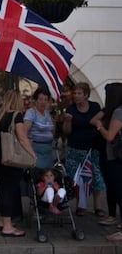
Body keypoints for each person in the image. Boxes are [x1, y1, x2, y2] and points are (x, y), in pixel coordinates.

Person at [0, 89, 36, 237]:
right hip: (10, 159)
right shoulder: (17, 116)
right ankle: (8, 227)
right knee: (9, 191)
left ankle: (3, 221)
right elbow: (22, 138)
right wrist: (32, 155)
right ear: (17, 100)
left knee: (4, 189)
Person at [62, 82, 105, 216]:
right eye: (75, 93)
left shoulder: (94, 107)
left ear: (86, 95)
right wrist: (68, 121)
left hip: (92, 149)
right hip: (75, 148)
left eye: (79, 93)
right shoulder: (71, 109)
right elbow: (67, 132)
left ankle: (98, 206)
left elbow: (100, 122)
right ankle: (80, 205)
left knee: (96, 176)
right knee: (77, 178)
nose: (76, 96)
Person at [92, 82, 122, 240]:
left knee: (119, 190)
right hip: (115, 157)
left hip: (115, 157)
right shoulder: (113, 111)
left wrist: (99, 127)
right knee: (115, 188)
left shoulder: (118, 112)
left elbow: (110, 136)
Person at [24, 88, 55, 168]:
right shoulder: (31, 113)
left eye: (45, 100)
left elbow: (52, 130)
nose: (43, 102)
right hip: (35, 151)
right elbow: (24, 132)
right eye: (40, 99)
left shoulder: (47, 113)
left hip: (48, 152)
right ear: (35, 100)